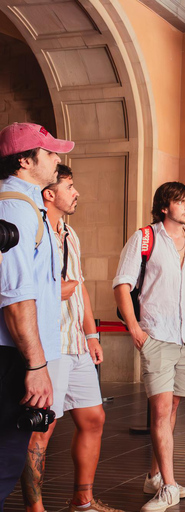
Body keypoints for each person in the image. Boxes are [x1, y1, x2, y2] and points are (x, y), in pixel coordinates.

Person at [21, 165, 122, 512]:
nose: (76, 192)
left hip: (76, 343)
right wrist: (53, 290)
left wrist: (91, 334)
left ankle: (83, 501)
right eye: (70, 186)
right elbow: (15, 287)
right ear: (50, 193)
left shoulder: (71, 234)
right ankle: (36, 510)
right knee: (41, 431)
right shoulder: (31, 229)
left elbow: (80, 289)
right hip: (49, 344)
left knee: (94, 418)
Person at [113, 182, 185, 512]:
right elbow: (122, 286)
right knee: (161, 411)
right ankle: (168, 487)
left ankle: (154, 476)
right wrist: (135, 329)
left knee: (172, 412)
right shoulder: (144, 238)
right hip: (157, 335)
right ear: (164, 206)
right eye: (181, 201)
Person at [0, 123, 72, 509]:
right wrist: (36, 364)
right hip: (13, 356)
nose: (58, 158)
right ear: (26, 160)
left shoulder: (30, 206)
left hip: (20, 355)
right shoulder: (14, 207)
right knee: (3, 464)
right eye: (50, 153)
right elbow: (15, 297)